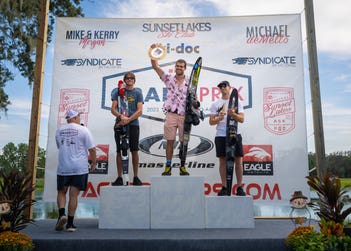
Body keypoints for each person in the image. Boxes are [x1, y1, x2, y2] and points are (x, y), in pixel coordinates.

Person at [150, 46, 190, 176]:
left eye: (181, 66)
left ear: (185, 68)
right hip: (171, 115)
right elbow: (155, 66)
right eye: (177, 66)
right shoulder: (169, 78)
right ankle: (168, 167)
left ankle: (182, 167)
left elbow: (194, 98)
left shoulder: (190, 82)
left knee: (184, 143)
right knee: (170, 142)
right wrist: (153, 53)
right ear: (175, 67)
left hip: (184, 116)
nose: (179, 68)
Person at [55, 109, 96, 232]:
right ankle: (70, 224)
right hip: (79, 168)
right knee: (74, 195)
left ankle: (61, 215)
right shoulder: (84, 130)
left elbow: (59, 146)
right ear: (74, 117)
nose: (80, 118)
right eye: (78, 116)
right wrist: (94, 162)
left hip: (63, 167)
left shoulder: (59, 131)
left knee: (62, 192)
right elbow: (92, 149)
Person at [209, 81, 246, 196]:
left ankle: (239, 187)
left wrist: (233, 115)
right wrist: (219, 118)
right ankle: (224, 186)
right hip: (221, 135)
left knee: (238, 160)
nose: (223, 88)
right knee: (223, 161)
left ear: (230, 88)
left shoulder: (237, 102)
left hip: (235, 133)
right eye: (221, 87)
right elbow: (211, 122)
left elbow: (241, 119)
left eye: (225, 86)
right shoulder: (216, 104)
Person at [111, 72, 144, 186]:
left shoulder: (137, 92)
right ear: (124, 80)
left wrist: (128, 119)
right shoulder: (117, 92)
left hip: (133, 124)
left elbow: (140, 110)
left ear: (134, 80)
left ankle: (135, 177)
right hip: (120, 124)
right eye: (127, 78)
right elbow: (113, 109)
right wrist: (121, 117)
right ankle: (120, 177)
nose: (129, 80)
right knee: (119, 151)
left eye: (131, 78)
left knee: (134, 150)